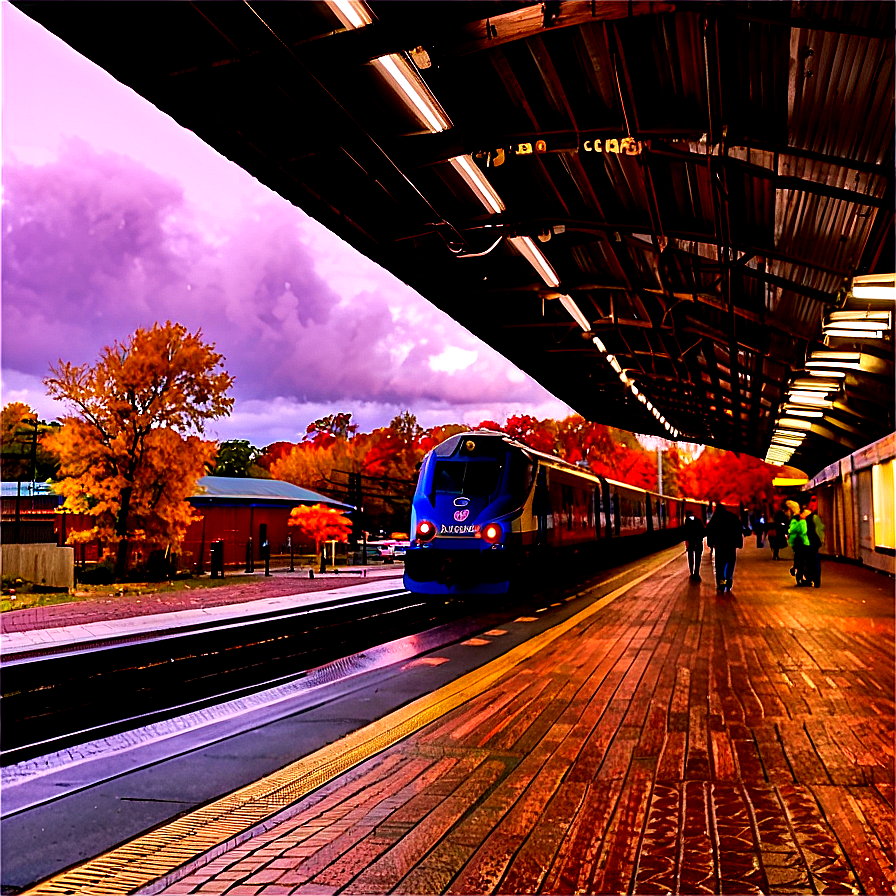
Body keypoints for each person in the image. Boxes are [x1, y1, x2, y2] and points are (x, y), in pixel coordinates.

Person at [705, 502, 744, 593]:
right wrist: (738, 543)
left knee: (720, 567)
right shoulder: (733, 517)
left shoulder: (715, 519)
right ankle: (729, 581)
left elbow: (709, 531)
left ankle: (721, 583)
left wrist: (711, 543)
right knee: (730, 564)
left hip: (720, 546)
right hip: (730, 545)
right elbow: (739, 530)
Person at [802, 495, 825, 587]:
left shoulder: (804, 519)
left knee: (809, 560)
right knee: (815, 560)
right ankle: (816, 579)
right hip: (814, 542)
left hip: (807, 542)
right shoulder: (814, 517)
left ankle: (810, 577)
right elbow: (820, 528)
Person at [786, 499, 809, 585]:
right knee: (802, 561)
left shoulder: (795, 520)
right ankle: (799, 577)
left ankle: (796, 571)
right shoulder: (797, 520)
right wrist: (802, 522)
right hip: (800, 543)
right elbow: (803, 531)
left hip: (799, 543)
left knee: (800, 559)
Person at [683, 511, 706, 581]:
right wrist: (700, 538)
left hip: (690, 543)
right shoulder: (699, 521)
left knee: (690, 558)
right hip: (698, 542)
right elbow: (704, 532)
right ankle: (697, 573)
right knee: (698, 558)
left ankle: (691, 573)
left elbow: (684, 533)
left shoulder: (686, 522)